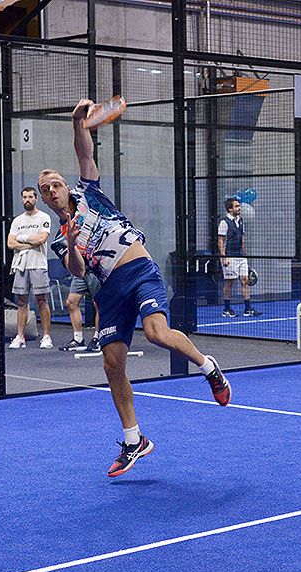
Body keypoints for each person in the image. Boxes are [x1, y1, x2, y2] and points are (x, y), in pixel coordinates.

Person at [41, 97, 231, 478]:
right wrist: (74, 242)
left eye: (56, 184)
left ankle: (209, 367)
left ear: (65, 185)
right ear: (44, 198)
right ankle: (134, 440)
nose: (52, 190)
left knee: (156, 332)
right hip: (109, 289)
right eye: (45, 189)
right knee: (112, 365)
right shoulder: (59, 236)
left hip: (139, 268)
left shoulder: (88, 191)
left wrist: (77, 123)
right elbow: (77, 269)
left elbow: (84, 151)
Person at [7, 187, 54, 349]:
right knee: (21, 301)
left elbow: (41, 239)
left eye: (30, 197)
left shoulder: (44, 217)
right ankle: (20, 337)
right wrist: (28, 242)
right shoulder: (17, 220)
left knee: (42, 300)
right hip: (21, 265)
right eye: (24, 197)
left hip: (38, 264)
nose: (27, 200)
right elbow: (10, 243)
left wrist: (21, 238)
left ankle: (46, 336)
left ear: (36, 199)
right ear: (22, 199)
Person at [217, 197, 259, 317]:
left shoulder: (240, 220)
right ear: (230, 209)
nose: (239, 208)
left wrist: (244, 252)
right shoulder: (224, 222)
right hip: (230, 257)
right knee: (229, 282)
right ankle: (227, 309)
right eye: (236, 206)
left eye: (239, 206)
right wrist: (224, 257)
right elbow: (220, 241)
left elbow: (242, 238)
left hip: (241, 256)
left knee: (245, 281)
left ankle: (248, 308)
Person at [60, 270, 102, 353]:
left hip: (96, 269)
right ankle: (78, 339)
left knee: (99, 304)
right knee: (71, 302)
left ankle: (98, 338)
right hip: (80, 270)